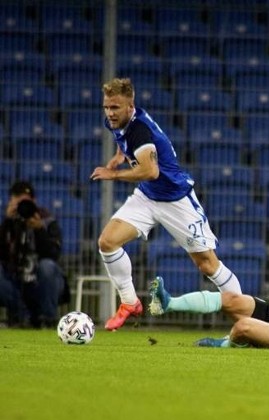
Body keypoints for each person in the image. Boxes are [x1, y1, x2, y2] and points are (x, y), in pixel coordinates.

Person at [91, 77, 242, 331]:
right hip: (147, 197)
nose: (110, 113)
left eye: (115, 107)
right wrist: (119, 156)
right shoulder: (116, 122)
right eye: (107, 107)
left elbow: (151, 171)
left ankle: (245, 319)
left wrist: (113, 174)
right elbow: (123, 140)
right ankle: (129, 302)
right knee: (107, 242)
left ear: (131, 106)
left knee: (207, 264)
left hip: (175, 199)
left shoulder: (141, 129)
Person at [0, 181, 68, 328]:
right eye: (17, 200)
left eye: (25, 201)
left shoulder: (47, 221)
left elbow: (54, 255)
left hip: (42, 284)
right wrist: (6, 223)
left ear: (34, 201)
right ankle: (20, 317)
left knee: (47, 266)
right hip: (15, 284)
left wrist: (39, 230)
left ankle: (47, 319)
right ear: (11, 201)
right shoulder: (7, 223)